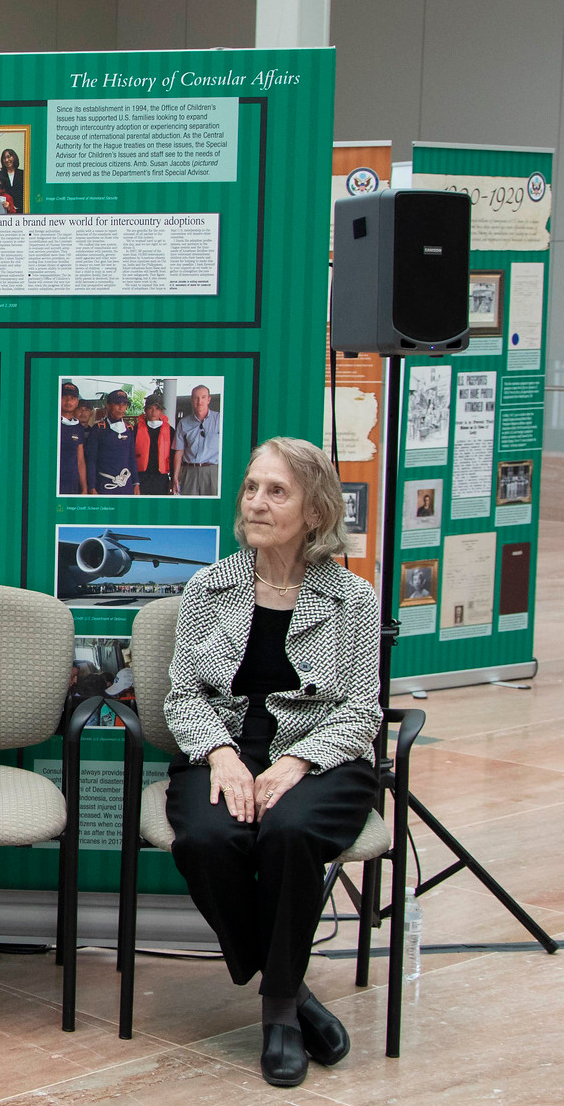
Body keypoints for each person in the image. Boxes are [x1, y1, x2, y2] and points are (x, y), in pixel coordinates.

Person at [161, 436, 382, 1089]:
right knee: (206, 839)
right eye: (252, 487)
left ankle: (280, 1014)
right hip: (225, 745)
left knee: (289, 833)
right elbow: (183, 695)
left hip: (324, 756)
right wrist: (221, 754)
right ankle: (292, 988)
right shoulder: (211, 587)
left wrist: (300, 762)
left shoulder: (353, 598)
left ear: (315, 511)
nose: (256, 502)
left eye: (276, 491)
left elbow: (364, 709)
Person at [88, 389, 139, 495]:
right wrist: (92, 487)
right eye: (117, 404)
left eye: (124, 404)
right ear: (108, 406)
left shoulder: (129, 429)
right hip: (104, 485)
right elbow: (91, 460)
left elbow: (132, 458)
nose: (121, 408)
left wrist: (136, 483)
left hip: (126, 485)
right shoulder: (98, 429)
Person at [176, 384, 221, 496]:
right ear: (192, 400)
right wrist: (176, 477)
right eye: (196, 398)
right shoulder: (183, 423)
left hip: (213, 471)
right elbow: (179, 451)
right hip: (189, 472)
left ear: (209, 400)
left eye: (203, 397)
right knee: (188, 507)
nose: (199, 401)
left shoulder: (220, 420)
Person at [136, 393, 175, 496]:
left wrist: (172, 479)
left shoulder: (170, 431)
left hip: (161, 479)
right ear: (145, 410)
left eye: (157, 408)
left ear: (161, 411)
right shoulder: (135, 430)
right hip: (141, 477)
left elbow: (173, 456)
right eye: (150, 408)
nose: (153, 412)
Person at [58, 382, 88, 495]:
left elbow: (80, 461)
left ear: (77, 402)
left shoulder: (78, 427)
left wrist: (84, 488)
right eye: (64, 397)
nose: (68, 402)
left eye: (72, 398)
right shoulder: (49, 423)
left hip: (72, 483)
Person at [0, 147, 25, 214]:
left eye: (9, 157)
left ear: (14, 158)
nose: (6, 160)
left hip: (21, 209)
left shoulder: (23, 174)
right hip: (4, 209)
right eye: (4, 158)